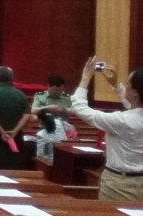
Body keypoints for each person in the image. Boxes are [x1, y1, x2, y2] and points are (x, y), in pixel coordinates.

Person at [68, 56, 143, 202]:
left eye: (127, 84)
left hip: (120, 184)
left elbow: (80, 108)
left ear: (135, 93)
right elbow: (133, 106)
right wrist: (116, 85)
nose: (125, 86)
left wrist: (85, 79)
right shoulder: (131, 117)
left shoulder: (122, 121)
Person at [32, 72, 78, 140]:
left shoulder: (67, 98)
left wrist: (63, 109)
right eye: (55, 90)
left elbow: (74, 111)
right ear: (48, 86)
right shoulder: (40, 96)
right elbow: (33, 110)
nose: (57, 92)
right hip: (46, 128)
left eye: (60, 90)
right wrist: (47, 108)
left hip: (63, 130)